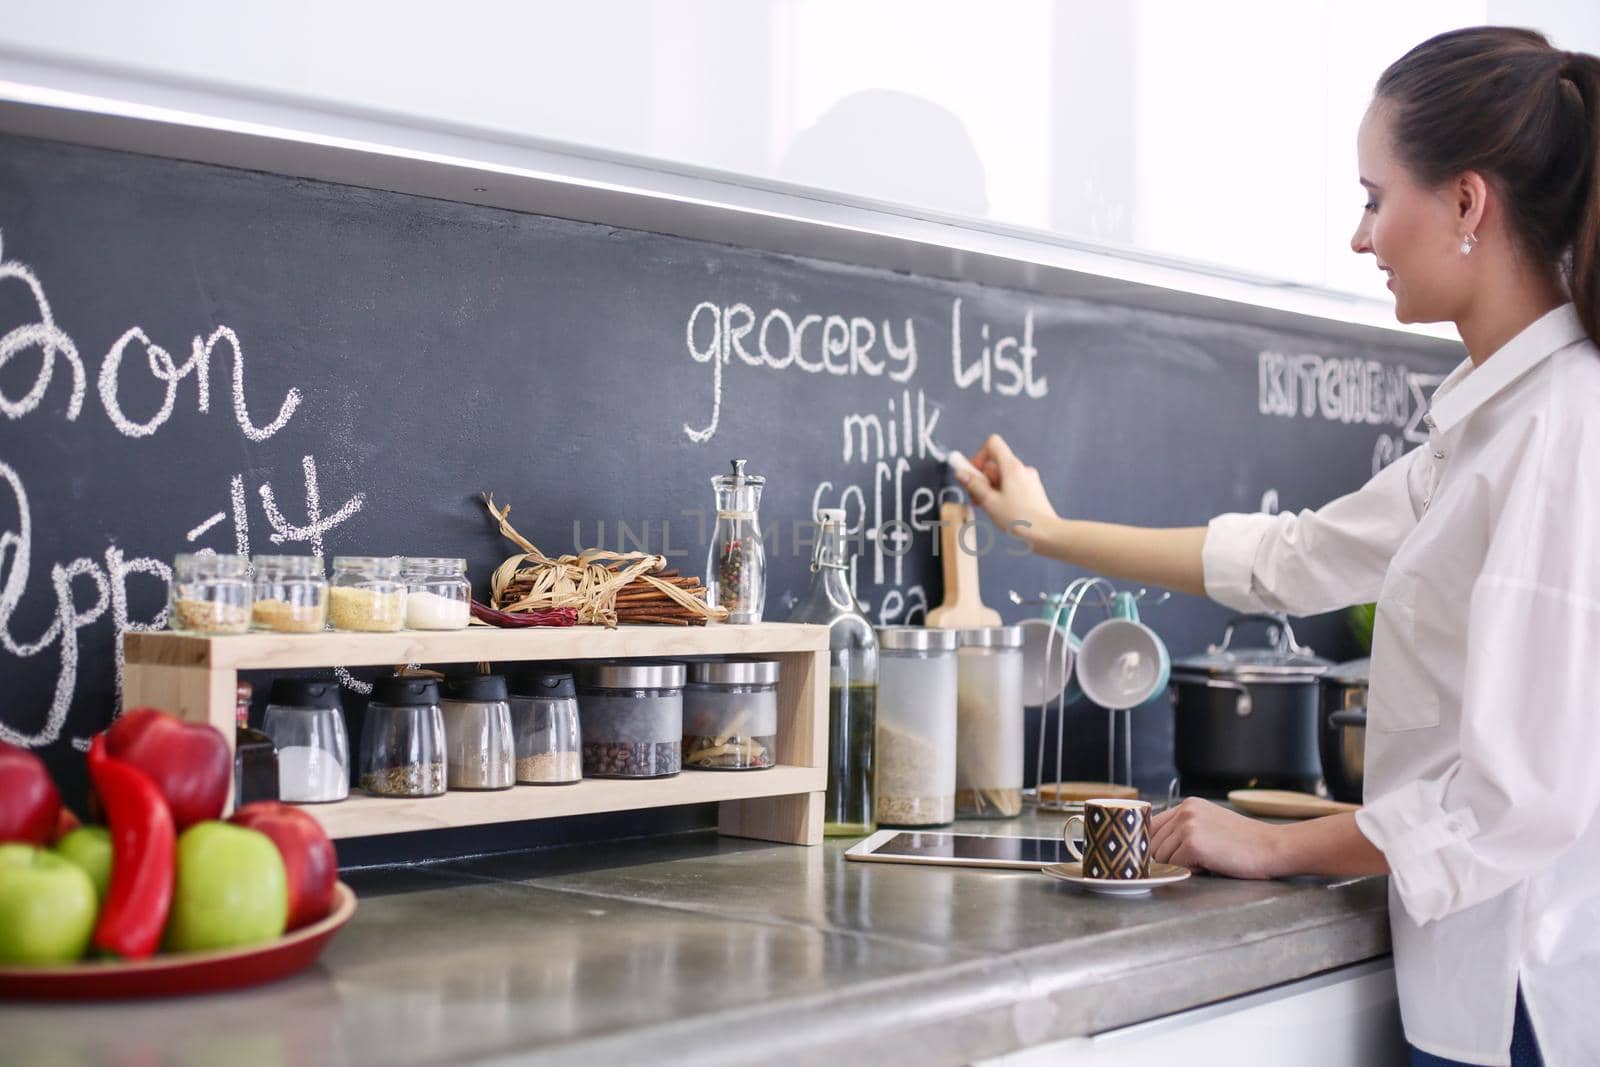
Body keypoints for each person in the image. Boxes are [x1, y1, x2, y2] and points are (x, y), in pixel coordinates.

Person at [956, 27, 1600, 1067]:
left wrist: (1270, 842)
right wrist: (1042, 528)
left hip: (1524, 994)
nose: (1361, 237)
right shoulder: (1494, 424)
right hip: (1476, 986)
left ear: (1468, 204)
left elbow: (1516, 798)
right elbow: (1293, 559)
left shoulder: (1560, 428)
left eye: (1374, 198)